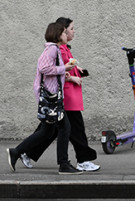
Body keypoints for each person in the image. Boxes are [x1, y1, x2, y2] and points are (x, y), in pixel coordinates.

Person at [18, 17, 100, 172]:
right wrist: (73, 77)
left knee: (50, 130)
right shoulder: (57, 49)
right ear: (63, 31)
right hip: (66, 96)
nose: (73, 31)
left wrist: (77, 69)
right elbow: (55, 71)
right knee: (74, 129)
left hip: (68, 96)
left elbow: (66, 66)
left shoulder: (65, 48)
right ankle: (81, 160)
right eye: (71, 29)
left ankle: (25, 152)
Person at [7, 22, 80, 175]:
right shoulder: (53, 49)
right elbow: (44, 68)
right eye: (64, 33)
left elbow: (50, 71)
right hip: (51, 97)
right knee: (64, 128)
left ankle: (17, 152)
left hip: (52, 96)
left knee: (47, 131)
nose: (67, 35)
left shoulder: (54, 49)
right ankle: (63, 164)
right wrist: (63, 69)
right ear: (57, 35)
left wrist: (62, 73)